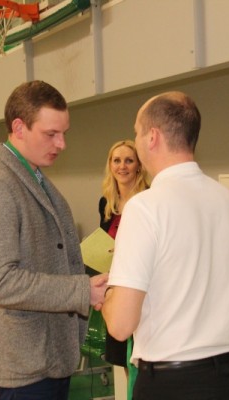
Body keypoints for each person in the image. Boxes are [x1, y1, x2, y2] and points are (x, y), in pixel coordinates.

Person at [102, 92, 229, 400]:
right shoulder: (226, 199)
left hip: (176, 381)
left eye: (137, 132)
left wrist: (109, 296)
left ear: (152, 137)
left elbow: (121, 325)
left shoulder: (144, 207)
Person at [0, 80, 108, 400]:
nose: (61, 144)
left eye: (64, 133)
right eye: (51, 134)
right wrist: (81, 290)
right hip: (18, 369)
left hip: (43, 360)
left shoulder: (35, 178)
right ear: (19, 128)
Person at [98, 140, 147, 379]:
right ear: (110, 165)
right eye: (116, 160)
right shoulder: (106, 202)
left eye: (129, 160)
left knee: (143, 360)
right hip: (115, 287)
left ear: (139, 165)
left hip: (142, 289)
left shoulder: (149, 199)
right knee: (124, 360)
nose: (122, 166)